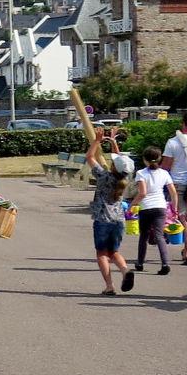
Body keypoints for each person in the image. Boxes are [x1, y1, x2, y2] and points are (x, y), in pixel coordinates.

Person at [84, 120, 136, 295]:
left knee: (102, 253)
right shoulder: (125, 178)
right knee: (114, 251)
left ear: (112, 167)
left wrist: (96, 141)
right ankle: (125, 270)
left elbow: (90, 157)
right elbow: (121, 164)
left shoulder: (103, 177)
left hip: (102, 220)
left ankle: (109, 286)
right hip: (118, 220)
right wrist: (113, 142)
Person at [132, 145, 178, 275]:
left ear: (145, 160)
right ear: (159, 159)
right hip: (161, 207)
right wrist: (174, 207)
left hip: (146, 208)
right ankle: (165, 263)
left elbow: (142, 193)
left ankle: (140, 262)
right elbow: (173, 192)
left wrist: (131, 205)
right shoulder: (164, 173)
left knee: (144, 236)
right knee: (159, 236)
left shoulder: (141, 173)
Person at [163, 112, 187, 267]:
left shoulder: (173, 142)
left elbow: (166, 166)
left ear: (183, 123)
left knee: (185, 218)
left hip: (180, 184)